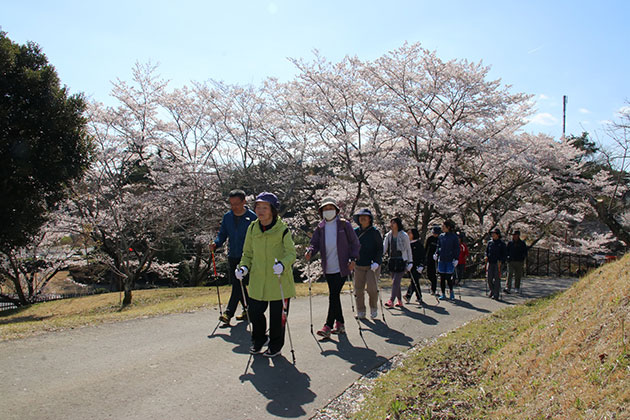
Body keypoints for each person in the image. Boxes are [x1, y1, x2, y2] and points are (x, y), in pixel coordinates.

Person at [236, 192, 296, 358]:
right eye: (258, 207)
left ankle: (276, 345)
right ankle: (259, 339)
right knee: (254, 312)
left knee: (278, 317)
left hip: (279, 280)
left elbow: (291, 254)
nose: (260, 210)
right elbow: (247, 253)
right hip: (257, 279)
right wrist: (243, 268)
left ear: (272, 210)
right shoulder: (252, 228)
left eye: (265, 207)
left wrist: (282, 264)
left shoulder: (282, 230)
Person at [306, 197, 360, 339]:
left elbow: (355, 243)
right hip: (328, 266)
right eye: (325, 209)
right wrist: (310, 251)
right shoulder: (320, 227)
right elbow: (314, 243)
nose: (328, 211)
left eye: (330, 208)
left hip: (343, 266)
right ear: (321, 212)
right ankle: (340, 323)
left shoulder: (344, 225)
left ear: (336, 210)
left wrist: (353, 259)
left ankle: (328, 326)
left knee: (333, 295)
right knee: (334, 295)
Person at [211, 189, 257, 326]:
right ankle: (248, 309)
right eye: (231, 204)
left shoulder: (252, 217)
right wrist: (216, 243)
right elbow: (222, 233)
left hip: (248, 257)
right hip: (233, 255)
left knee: (238, 284)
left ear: (244, 201)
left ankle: (228, 312)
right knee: (239, 284)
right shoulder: (228, 216)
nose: (234, 207)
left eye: (237, 203)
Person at [352, 208, 383, 319]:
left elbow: (380, 248)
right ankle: (361, 311)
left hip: (372, 265)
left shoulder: (375, 232)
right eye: (360, 217)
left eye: (365, 216)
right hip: (358, 264)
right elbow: (351, 246)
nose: (362, 218)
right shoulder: (355, 232)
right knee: (358, 289)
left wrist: (377, 262)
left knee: (372, 289)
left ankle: (373, 308)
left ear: (370, 219)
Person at [383, 217, 413, 308]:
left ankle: (391, 300)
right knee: (396, 282)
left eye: (394, 223)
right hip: (392, 259)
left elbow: (408, 249)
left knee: (396, 281)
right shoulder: (389, 235)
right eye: (391, 223)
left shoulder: (404, 235)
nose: (391, 225)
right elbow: (384, 247)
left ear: (398, 224)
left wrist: (410, 261)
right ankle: (399, 301)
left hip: (401, 260)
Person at [435, 220, 460, 301]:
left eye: (444, 226)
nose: (442, 228)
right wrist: (436, 253)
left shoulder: (454, 237)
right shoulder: (441, 236)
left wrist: (456, 258)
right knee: (442, 277)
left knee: (448, 277)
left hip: (450, 259)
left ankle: (451, 292)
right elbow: (438, 246)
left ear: (448, 227)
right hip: (442, 259)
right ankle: (443, 293)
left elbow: (456, 248)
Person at [404, 228, 425, 304]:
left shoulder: (418, 244)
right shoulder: (408, 244)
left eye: (410, 233)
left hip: (417, 266)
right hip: (410, 265)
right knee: (414, 281)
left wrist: (422, 265)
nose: (408, 234)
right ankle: (419, 297)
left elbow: (423, 256)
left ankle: (409, 295)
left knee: (414, 280)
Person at [485, 228, 507, 300]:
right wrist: (486, 256)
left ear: (498, 235)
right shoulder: (490, 243)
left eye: (494, 234)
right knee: (489, 278)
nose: (493, 235)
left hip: (498, 263)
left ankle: (496, 294)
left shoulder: (502, 244)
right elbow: (487, 251)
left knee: (497, 279)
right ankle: (492, 290)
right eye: (492, 234)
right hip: (490, 262)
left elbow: (504, 254)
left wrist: (501, 261)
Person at [505, 230, 528, 294]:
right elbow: (506, 251)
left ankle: (516, 287)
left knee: (518, 275)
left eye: (515, 235)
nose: (514, 236)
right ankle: (508, 287)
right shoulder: (510, 243)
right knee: (509, 274)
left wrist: (523, 258)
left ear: (518, 236)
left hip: (519, 261)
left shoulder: (522, 243)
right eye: (513, 235)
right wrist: (507, 257)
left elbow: (525, 252)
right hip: (511, 261)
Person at [424, 226, 441, 295]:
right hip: (429, 257)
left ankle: (433, 289)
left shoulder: (440, 239)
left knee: (434, 274)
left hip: (437, 259)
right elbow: (426, 248)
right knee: (429, 274)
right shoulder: (430, 239)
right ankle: (432, 285)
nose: (435, 234)